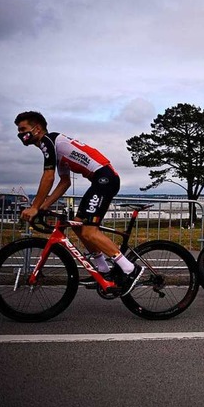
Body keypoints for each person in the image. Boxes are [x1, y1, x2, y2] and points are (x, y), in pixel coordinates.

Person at [14, 111, 142, 295]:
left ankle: (130, 269)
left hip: (105, 178)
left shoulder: (48, 142)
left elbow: (48, 177)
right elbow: (65, 182)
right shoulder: (55, 148)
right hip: (101, 179)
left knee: (89, 230)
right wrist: (44, 206)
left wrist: (34, 207)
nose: (20, 134)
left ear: (37, 128)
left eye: (23, 129)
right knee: (77, 224)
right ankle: (104, 271)